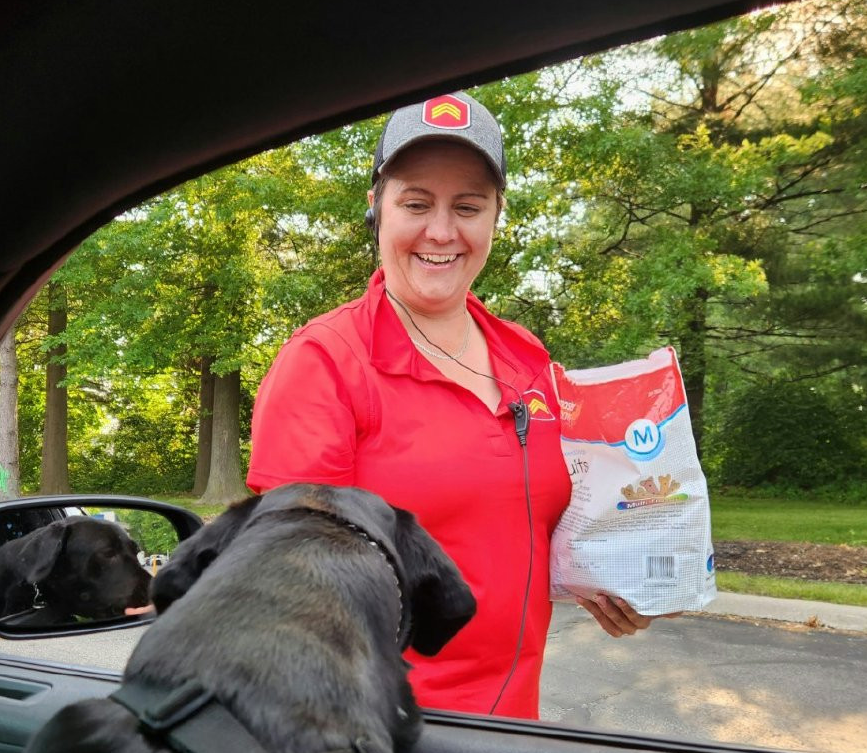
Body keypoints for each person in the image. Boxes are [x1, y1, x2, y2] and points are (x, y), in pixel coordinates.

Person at [247, 91, 665, 719]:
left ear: (496, 216)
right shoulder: (324, 361)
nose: (441, 232)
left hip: (514, 726)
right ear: (376, 207)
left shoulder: (525, 356)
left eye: (468, 207)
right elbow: (292, 585)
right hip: (387, 731)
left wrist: (622, 576)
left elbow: (545, 518)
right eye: (416, 204)